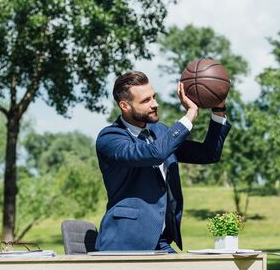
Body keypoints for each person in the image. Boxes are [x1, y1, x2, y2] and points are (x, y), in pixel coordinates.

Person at [95, 71, 231, 253]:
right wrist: (190, 115)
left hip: (161, 243)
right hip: (123, 243)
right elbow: (155, 153)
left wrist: (218, 109)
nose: (155, 104)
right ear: (125, 106)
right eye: (146, 101)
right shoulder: (110, 138)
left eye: (154, 97)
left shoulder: (160, 133)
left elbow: (208, 153)